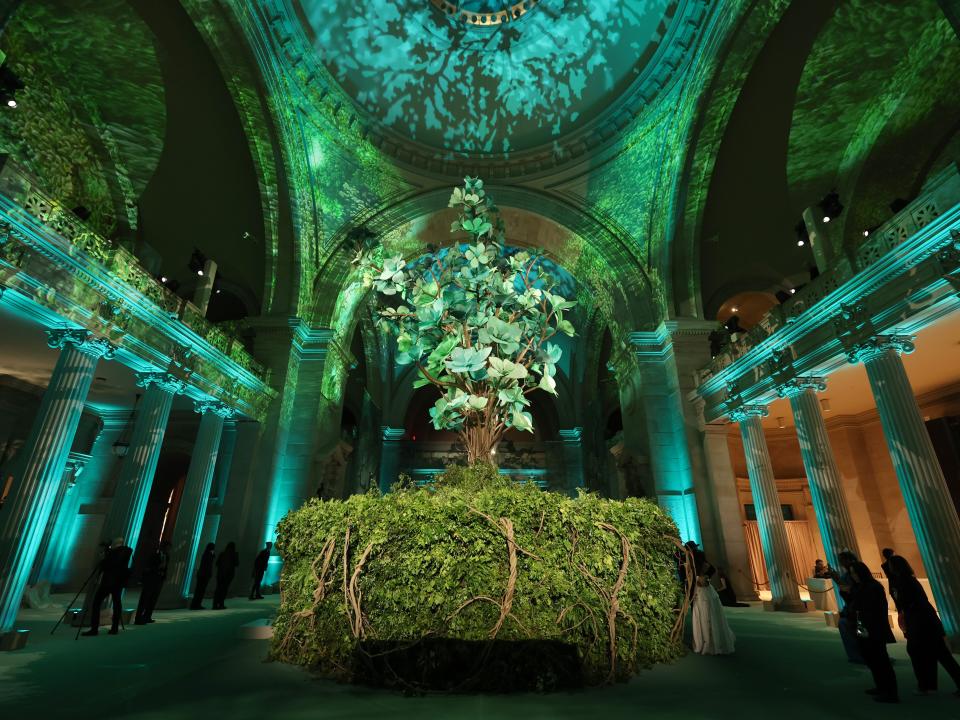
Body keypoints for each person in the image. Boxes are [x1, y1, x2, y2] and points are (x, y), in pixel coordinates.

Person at [887, 555, 960, 696]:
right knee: (936, 655)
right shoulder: (908, 581)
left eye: (890, 565)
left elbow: (910, 603)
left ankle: (926, 685)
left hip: (921, 624)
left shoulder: (905, 582)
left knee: (927, 654)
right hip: (924, 622)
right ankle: (928, 685)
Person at [849, 561, 898, 703]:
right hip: (864, 627)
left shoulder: (873, 587)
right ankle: (881, 686)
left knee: (881, 660)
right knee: (870, 658)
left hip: (874, 628)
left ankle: (890, 692)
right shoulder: (861, 587)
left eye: (854, 572)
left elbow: (874, 609)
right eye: (851, 573)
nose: (853, 576)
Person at [82, 537, 132, 636]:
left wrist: (103, 559)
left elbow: (107, 566)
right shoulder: (127, 552)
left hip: (108, 582)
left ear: (115, 543)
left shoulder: (112, 554)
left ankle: (94, 628)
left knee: (96, 603)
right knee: (117, 603)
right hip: (118, 582)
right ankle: (114, 628)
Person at [828, 550, 864, 663]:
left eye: (843, 560)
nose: (841, 563)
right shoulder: (846, 575)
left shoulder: (859, 573)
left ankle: (865, 654)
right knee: (845, 625)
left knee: (859, 630)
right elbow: (847, 593)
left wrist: (838, 580)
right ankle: (856, 655)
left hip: (861, 610)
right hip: (852, 609)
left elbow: (854, 592)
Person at [691, 573, 736, 655]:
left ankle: (711, 642)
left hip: (703, 592)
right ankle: (708, 640)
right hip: (701, 592)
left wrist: (702, 579)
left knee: (708, 616)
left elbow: (706, 574)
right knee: (705, 616)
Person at [134, 540, 169, 625]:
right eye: (167, 548)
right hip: (151, 578)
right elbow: (148, 566)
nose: (168, 550)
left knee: (153, 598)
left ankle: (147, 616)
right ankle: (138, 618)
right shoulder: (154, 554)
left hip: (159, 579)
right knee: (145, 598)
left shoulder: (167, 556)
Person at [190, 543, 216, 610]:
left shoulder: (206, 554)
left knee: (198, 590)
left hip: (202, 574)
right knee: (201, 590)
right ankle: (196, 604)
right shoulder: (209, 555)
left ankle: (195, 604)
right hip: (205, 575)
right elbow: (208, 566)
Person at [213, 542, 238, 609]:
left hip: (220, 574)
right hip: (228, 575)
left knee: (218, 589)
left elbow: (217, 563)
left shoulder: (222, 554)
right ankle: (221, 603)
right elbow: (236, 563)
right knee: (224, 589)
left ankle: (215, 604)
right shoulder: (234, 554)